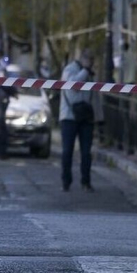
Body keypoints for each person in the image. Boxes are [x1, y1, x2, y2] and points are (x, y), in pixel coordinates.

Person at [60, 49, 101, 192]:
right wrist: (84, 71)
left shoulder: (89, 74)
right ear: (83, 59)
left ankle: (86, 182)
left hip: (86, 118)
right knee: (67, 151)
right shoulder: (70, 70)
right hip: (69, 117)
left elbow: (94, 96)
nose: (91, 63)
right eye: (89, 60)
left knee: (86, 152)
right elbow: (74, 87)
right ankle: (66, 181)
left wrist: (99, 117)